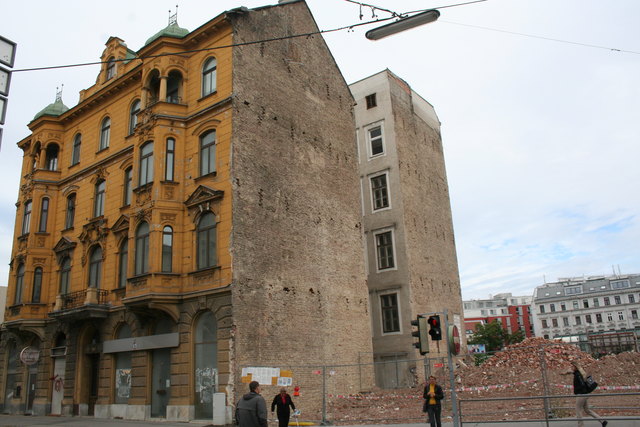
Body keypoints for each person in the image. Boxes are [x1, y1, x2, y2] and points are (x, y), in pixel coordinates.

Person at [569, 361, 607, 427]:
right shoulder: (579, 374)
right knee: (587, 410)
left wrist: (578, 391)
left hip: (581, 394)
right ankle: (602, 421)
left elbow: (582, 384)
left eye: (572, 366)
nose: (571, 368)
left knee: (578, 410)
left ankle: (581, 425)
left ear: (575, 367)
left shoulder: (578, 375)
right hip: (585, 394)